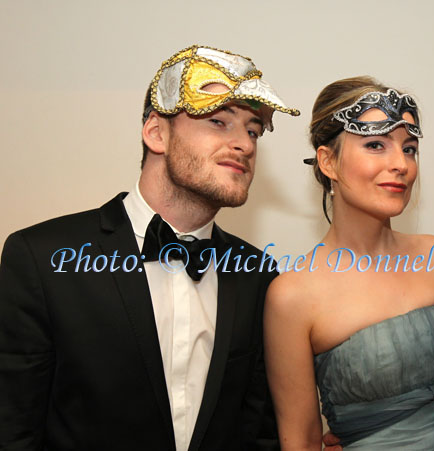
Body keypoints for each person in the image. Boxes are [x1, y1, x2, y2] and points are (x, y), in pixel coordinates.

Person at [0, 44, 299, 450]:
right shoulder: (40, 258)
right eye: (218, 121)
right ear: (156, 133)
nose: (245, 144)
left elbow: (259, 432)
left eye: (252, 130)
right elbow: (14, 428)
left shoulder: (258, 274)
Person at [264, 76, 434, 450]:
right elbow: (301, 439)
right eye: (376, 145)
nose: (401, 165)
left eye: (409, 149)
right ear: (328, 161)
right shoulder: (293, 296)